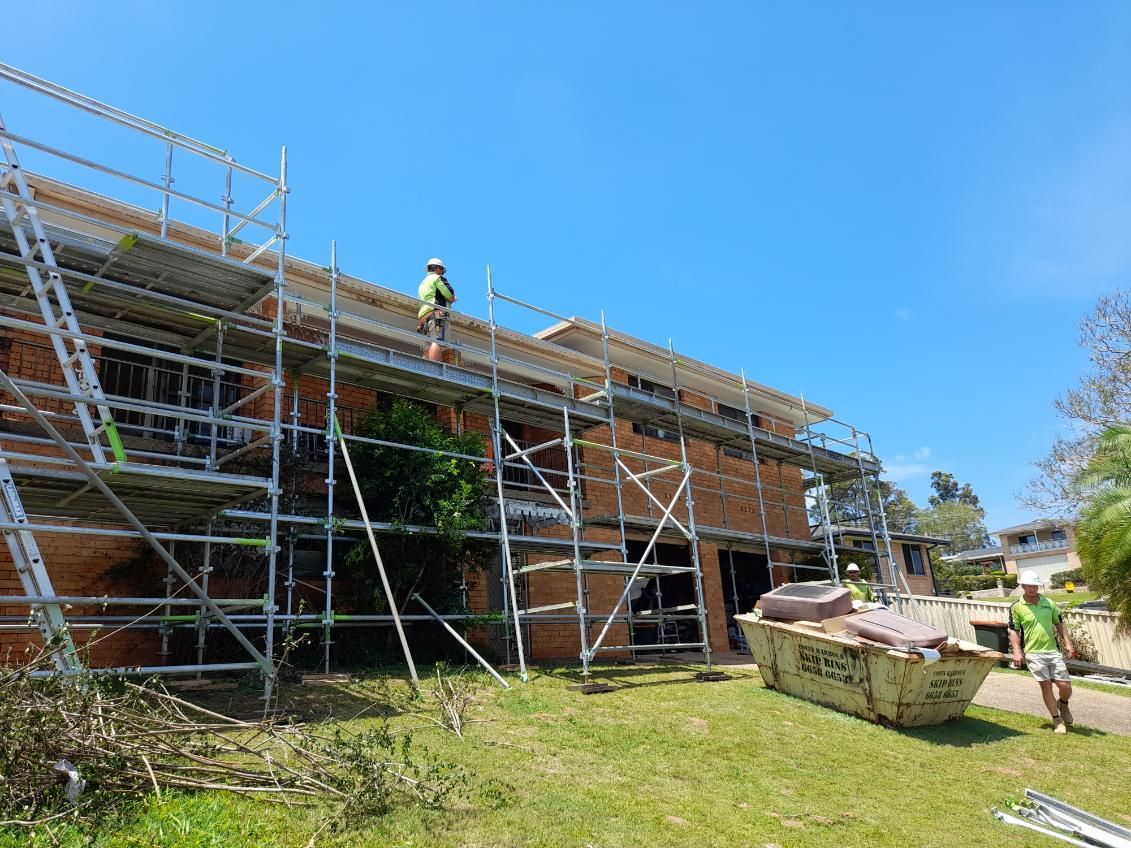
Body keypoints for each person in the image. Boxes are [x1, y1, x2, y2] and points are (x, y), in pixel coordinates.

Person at [1009, 570, 1076, 734]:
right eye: (1029, 585)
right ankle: (1057, 720)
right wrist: (1017, 652)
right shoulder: (1017, 607)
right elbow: (1014, 631)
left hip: (1052, 651)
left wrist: (1068, 644)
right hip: (1033, 652)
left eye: (1035, 585)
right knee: (1046, 686)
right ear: (1023, 586)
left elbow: (1059, 624)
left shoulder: (1049, 603)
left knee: (1065, 685)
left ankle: (1063, 704)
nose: (1032, 589)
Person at [416, 257, 456, 362]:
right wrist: (452, 299)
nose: (442, 273)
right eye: (442, 270)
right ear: (437, 268)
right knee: (437, 341)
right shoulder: (437, 278)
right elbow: (448, 293)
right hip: (437, 313)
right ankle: (435, 368)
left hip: (423, 318)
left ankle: (426, 367)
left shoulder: (422, 284)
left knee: (427, 346)